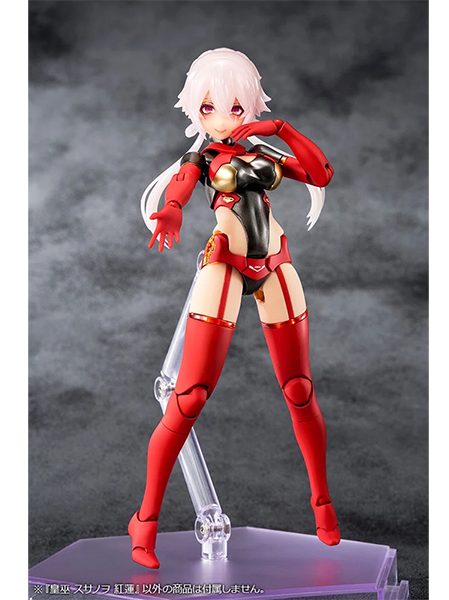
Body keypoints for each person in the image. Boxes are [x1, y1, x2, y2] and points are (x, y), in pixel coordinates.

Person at [130, 48, 340, 569]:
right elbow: (181, 186)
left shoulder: (263, 152)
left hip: (276, 263)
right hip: (224, 264)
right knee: (189, 395)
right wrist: (171, 210)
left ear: (251, 106)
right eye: (208, 108)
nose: (222, 118)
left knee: (299, 389)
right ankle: (145, 520)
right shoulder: (203, 159)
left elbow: (320, 174)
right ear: (195, 111)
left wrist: (282, 129)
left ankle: (322, 503)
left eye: (235, 107)